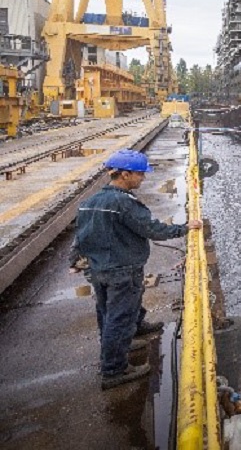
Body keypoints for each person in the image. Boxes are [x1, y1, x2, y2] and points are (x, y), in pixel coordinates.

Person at [73, 149, 203, 390]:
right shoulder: (124, 203)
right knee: (119, 318)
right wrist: (185, 228)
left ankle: (130, 334)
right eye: (139, 174)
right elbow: (152, 230)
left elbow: (80, 235)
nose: (143, 179)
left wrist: (75, 260)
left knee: (105, 312)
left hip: (98, 268)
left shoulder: (90, 202)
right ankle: (113, 370)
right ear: (124, 175)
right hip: (122, 270)